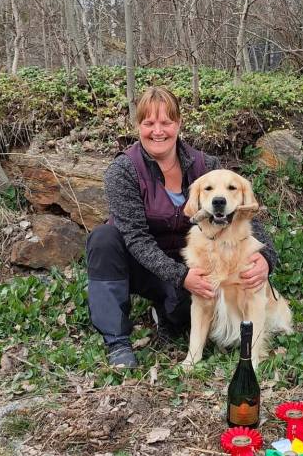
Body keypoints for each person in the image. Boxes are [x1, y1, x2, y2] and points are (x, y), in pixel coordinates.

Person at [85, 85, 278, 368]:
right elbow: (135, 238)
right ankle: (117, 342)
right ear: (138, 126)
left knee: (183, 314)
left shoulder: (205, 165)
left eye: (166, 122)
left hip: (191, 261)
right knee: (103, 238)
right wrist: (181, 276)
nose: (158, 131)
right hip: (141, 263)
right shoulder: (123, 170)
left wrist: (266, 258)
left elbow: (244, 215)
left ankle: (166, 313)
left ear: (178, 124)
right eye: (149, 123)